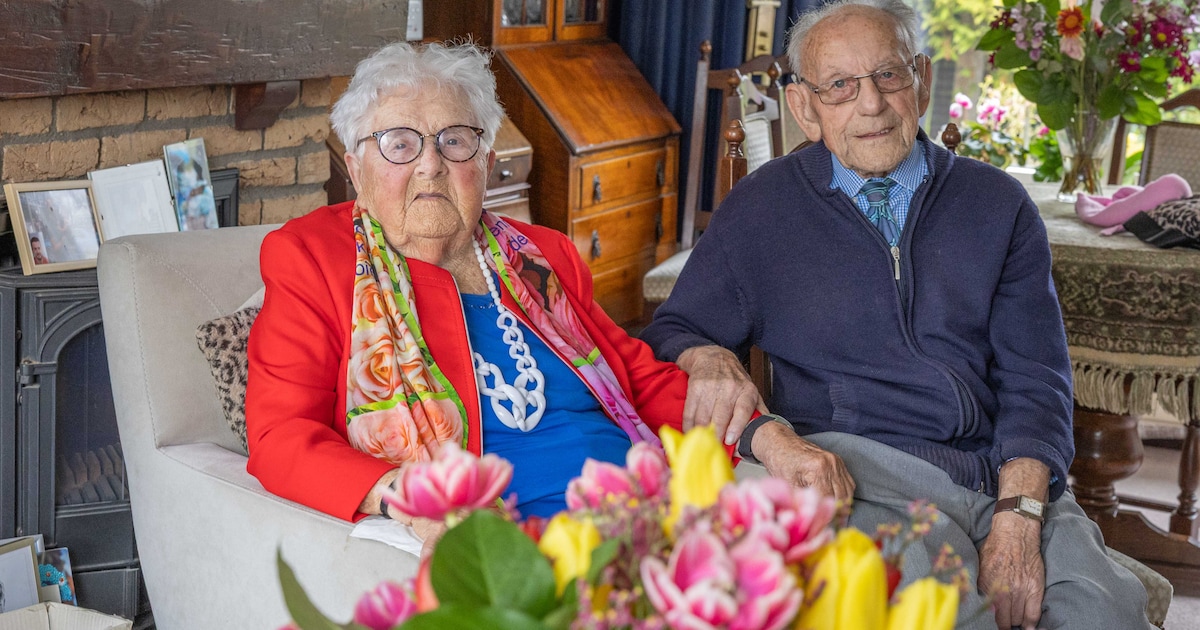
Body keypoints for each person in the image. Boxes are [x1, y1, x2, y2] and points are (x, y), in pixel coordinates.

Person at [640, 1, 1152, 628]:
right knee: (942, 611)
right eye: (839, 87)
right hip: (858, 475)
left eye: (889, 75)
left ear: (924, 80)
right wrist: (708, 355)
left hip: (1000, 477)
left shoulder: (998, 204)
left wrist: (1020, 516)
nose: (871, 104)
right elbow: (673, 331)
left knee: (1105, 612)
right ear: (804, 106)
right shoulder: (761, 209)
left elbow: (1036, 379)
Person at [245, 41, 827, 555]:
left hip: (644, 513)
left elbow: (636, 377)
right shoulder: (313, 260)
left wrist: (766, 434)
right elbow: (280, 438)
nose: (430, 165)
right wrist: (410, 497)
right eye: (398, 144)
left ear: (486, 163)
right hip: (518, 545)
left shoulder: (540, 256)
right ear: (355, 168)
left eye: (455, 141)